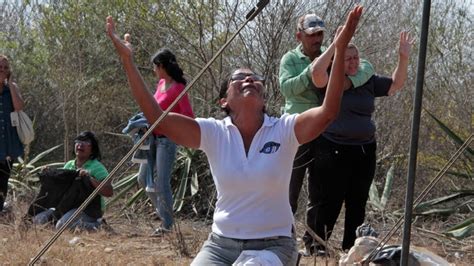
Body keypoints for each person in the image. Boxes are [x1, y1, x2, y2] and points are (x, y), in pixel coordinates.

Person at [106, 5, 363, 265]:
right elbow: (156, 119)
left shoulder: (285, 129)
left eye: (255, 78)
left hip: (275, 245)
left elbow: (328, 111)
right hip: (220, 245)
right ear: (223, 101)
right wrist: (128, 61)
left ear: (263, 98)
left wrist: (340, 48)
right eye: (239, 78)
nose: (249, 80)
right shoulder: (213, 132)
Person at [279, 13, 374, 256]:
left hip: (323, 134)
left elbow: (362, 69)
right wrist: (312, 71)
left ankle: (314, 245)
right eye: (311, 35)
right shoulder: (290, 59)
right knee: (287, 190)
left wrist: (347, 82)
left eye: (320, 34)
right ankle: (281, 241)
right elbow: (287, 88)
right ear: (299, 35)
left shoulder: (333, 59)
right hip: (295, 132)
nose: (316, 39)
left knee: (319, 193)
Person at [310, 31, 414, 251]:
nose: (354, 62)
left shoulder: (367, 81)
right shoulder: (330, 79)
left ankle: (352, 246)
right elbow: (316, 72)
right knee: (331, 199)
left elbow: (396, 85)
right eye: (348, 58)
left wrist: (403, 58)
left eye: (356, 57)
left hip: (364, 149)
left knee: (357, 201)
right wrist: (336, 46)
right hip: (333, 147)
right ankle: (317, 244)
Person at [136, 48, 194, 236]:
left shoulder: (178, 88)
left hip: (166, 141)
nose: (154, 70)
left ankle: (167, 225)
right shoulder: (161, 84)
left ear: (162, 66)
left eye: (155, 66)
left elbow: (188, 116)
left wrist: (170, 121)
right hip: (151, 138)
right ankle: (164, 214)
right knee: (143, 178)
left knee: (162, 183)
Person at [33, 131, 113, 231]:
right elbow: (60, 188)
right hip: (68, 206)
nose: (80, 145)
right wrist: (49, 174)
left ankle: (100, 226)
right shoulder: (69, 165)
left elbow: (109, 192)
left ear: (92, 149)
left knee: (61, 226)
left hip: (89, 209)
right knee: (38, 220)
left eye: (85, 143)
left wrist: (89, 179)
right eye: (78, 142)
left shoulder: (97, 168)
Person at [0, 55, 24, 214]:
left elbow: (18, 107)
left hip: (8, 144)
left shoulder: (11, 89)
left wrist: (12, 85)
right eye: (0, 67)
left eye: (5, 68)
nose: (2, 70)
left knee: (2, 181)